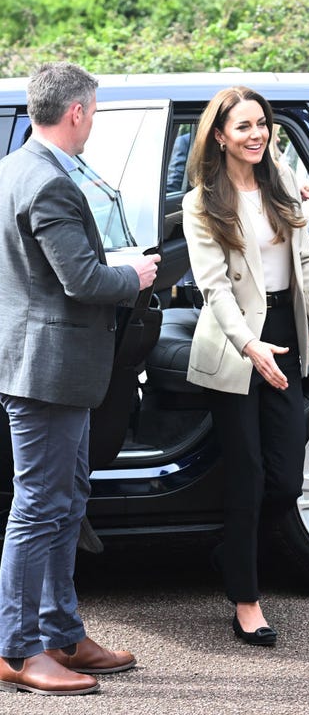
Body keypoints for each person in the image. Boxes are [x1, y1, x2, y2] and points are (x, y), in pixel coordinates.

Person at [0, 62, 160, 695]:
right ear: (77, 113)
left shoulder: (14, 167)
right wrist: (136, 277)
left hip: (41, 362)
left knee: (66, 503)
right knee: (39, 508)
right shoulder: (50, 184)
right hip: (47, 371)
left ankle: (62, 634)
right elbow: (83, 282)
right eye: (93, 111)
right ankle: (16, 649)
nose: (94, 121)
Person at [182, 86, 309, 646]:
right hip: (233, 343)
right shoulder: (202, 201)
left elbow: (306, 264)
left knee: (286, 476)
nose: (256, 133)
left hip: (284, 333)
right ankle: (246, 601)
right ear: (219, 135)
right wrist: (249, 345)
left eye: (262, 124)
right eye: (242, 126)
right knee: (245, 472)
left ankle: (229, 551)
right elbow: (214, 288)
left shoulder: (283, 189)